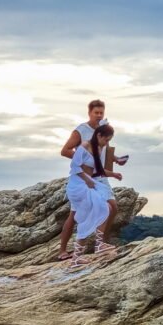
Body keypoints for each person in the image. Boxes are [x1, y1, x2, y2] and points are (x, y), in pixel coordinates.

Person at [57, 99, 126, 260]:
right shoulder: (81, 130)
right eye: (96, 112)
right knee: (74, 215)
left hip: (100, 176)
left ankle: (101, 243)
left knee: (112, 207)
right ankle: (62, 250)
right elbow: (65, 150)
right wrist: (84, 159)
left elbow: (103, 150)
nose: (99, 115)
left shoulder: (103, 130)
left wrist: (116, 160)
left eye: (101, 112)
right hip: (85, 177)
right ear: (89, 113)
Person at [65, 123, 121, 267]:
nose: (107, 143)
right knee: (99, 211)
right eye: (106, 140)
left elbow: (98, 170)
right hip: (78, 186)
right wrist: (86, 180)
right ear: (98, 135)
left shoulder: (99, 148)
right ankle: (88, 251)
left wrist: (114, 174)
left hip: (88, 184)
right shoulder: (84, 146)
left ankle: (87, 251)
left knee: (103, 209)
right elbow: (75, 167)